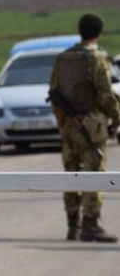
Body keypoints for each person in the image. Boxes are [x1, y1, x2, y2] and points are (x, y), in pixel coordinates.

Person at [50, 13, 120, 243]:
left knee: (71, 173)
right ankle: (91, 225)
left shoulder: (63, 58)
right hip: (93, 126)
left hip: (69, 126)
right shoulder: (97, 58)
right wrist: (117, 117)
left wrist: (62, 121)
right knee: (94, 174)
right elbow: (105, 94)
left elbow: (54, 91)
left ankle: (74, 226)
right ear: (98, 34)